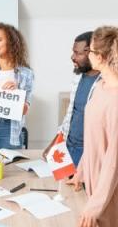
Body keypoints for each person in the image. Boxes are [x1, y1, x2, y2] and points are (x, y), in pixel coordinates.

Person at [67, 26, 118, 227]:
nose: (89, 56)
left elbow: (114, 161)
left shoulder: (115, 99)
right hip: (94, 188)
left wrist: (94, 206)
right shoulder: (100, 87)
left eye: (92, 51)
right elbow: (93, 139)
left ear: (102, 57)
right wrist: (81, 172)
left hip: (108, 197)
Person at [42, 32, 100, 167]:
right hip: (68, 148)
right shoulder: (78, 79)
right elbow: (69, 117)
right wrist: (53, 145)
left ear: (91, 53)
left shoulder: (105, 84)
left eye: (78, 53)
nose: (72, 57)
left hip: (89, 153)